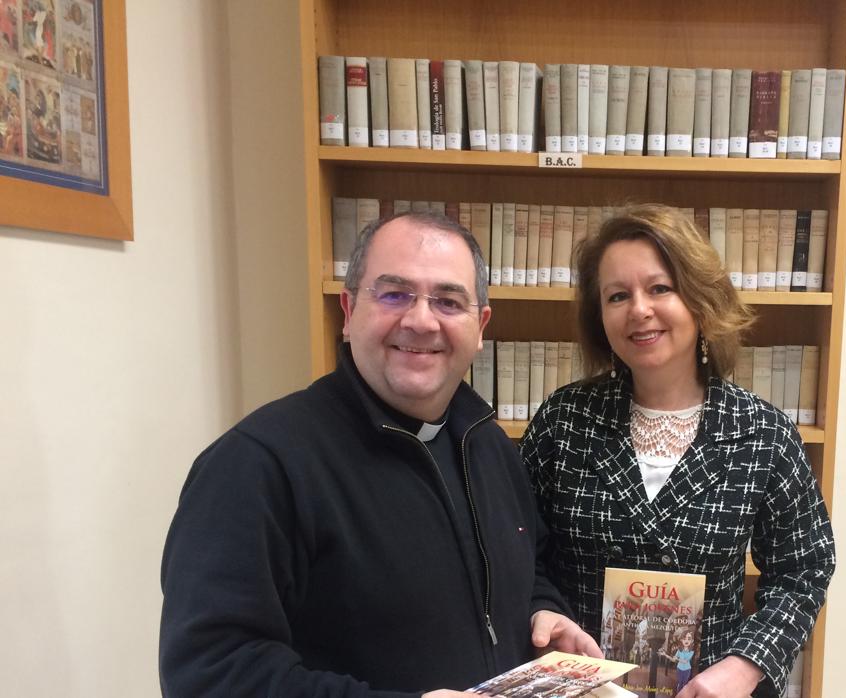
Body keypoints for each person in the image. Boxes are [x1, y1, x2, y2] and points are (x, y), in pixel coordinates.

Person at [160, 211, 599, 697]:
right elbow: (209, 672)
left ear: (480, 327)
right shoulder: (257, 465)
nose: (420, 319)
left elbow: (526, 566)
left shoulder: (489, 445)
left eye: (449, 301)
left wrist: (543, 611)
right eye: (394, 294)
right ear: (348, 312)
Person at [521, 204, 836, 698]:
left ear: (699, 299)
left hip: (709, 688)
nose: (639, 310)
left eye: (660, 288)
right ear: (599, 315)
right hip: (580, 688)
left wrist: (746, 665)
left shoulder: (763, 432)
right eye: (617, 295)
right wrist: (543, 612)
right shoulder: (565, 421)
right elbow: (519, 549)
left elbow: (804, 568)